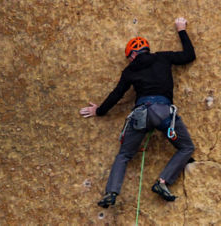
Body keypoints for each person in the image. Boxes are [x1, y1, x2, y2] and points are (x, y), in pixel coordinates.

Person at [79, 18, 196, 208]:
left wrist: (99, 111)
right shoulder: (163, 57)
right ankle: (163, 182)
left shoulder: (130, 70)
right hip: (164, 113)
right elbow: (189, 55)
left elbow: (116, 94)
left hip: (140, 115)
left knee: (124, 155)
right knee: (186, 147)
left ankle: (111, 192)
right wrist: (181, 29)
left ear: (133, 54)